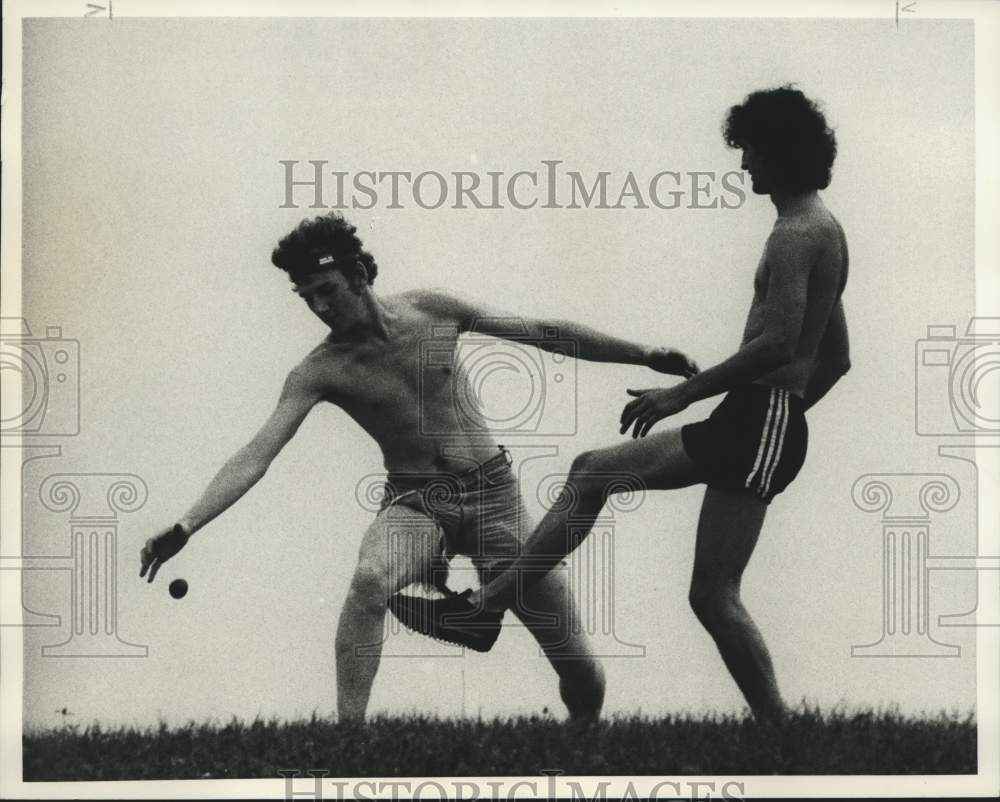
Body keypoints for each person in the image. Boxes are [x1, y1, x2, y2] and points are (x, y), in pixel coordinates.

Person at [390, 86, 852, 723]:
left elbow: (777, 345)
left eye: (747, 150)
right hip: (755, 419)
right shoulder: (815, 229)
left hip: (760, 418)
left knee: (713, 595)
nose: (742, 164)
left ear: (779, 150)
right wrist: (781, 416)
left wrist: (691, 397)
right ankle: (484, 608)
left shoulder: (799, 235)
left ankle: (783, 734)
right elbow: (837, 357)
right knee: (592, 471)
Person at [138, 212, 698, 722]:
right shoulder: (320, 370)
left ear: (358, 274)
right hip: (416, 503)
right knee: (368, 582)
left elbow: (543, 332)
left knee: (577, 665)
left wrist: (644, 354)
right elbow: (256, 454)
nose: (320, 307)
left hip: (494, 497)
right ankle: (348, 746)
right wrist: (187, 524)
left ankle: (582, 739)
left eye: (327, 290)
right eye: (307, 297)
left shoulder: (432, 309)